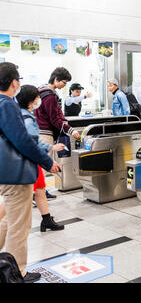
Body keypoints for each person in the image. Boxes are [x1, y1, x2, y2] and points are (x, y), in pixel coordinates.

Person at [0, 62, 61, 283]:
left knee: (9, 220)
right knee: (19, 225)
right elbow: (23, 140)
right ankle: (17, 273)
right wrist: (46, 161)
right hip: (15, 173)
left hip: (5, 172)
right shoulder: (6, 104)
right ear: (14, 82)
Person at [15, 85, 66, 232]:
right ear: (32, 100)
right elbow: (31, 144)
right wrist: (49, 161)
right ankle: (44, 220)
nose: (39, 100)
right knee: (22, 197)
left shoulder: (22, 114)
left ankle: (46, 219)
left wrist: (51, 148)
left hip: (28, 161)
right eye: (37, 97)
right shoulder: (28, 119)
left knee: (40, 190)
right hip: (28, 162)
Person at [35, 67, 81, 199]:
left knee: (42, 163)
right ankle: (39, 192)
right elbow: (54, 119)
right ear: (56, 79)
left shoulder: (41, 90)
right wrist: (70, 130)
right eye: (64, 82)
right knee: (44, 163)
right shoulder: (50, 96)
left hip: (39, 130)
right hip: (45, 133)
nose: (64, 85)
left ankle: (41, 190)